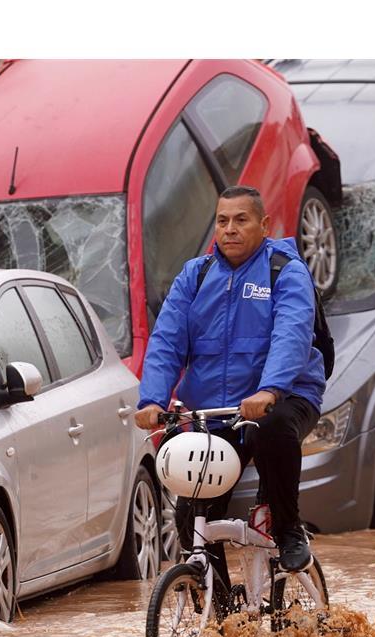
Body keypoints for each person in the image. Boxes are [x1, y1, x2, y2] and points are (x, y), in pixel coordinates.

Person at [136, 185, 325, 589]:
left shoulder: (285, 270)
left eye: (241, 220)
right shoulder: (196, 275)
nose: (230, 229)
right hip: (216, 413)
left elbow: (291, 334)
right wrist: (152, 399)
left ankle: (290, 531)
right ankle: (222, 618)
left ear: (263, 224)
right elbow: (167, 340)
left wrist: (270, 390)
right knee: (191, 519)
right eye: (223, 221)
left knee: (272, 428)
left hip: (284, 398)